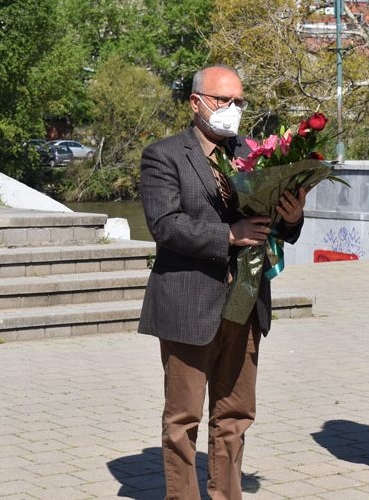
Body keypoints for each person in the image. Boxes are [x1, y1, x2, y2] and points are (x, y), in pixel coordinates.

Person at [139, 64, 307, 500]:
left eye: (239, 101)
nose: (233, 108)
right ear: (196, 103)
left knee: (235, 415)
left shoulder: (253, 152)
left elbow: (273, 225)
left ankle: (226, 494)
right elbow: (165, 225)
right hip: (189, 302)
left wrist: (291, 216)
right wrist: (228, 235)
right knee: (183, 419)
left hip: (245, 302)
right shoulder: (164, 155)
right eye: (223, 100)